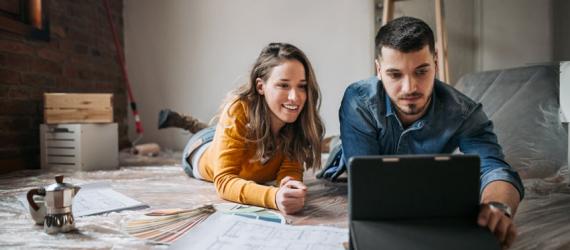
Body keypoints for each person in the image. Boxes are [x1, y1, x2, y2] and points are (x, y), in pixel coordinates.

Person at [320, 16, 524, 248]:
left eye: (421, 71)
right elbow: (370, 187)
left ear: (435, 63)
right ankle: (330, 142)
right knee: (340, 150)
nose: (409, 88)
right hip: (356, 151)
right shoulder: (358, 100)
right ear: (379, 70)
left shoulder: (464, 113)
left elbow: (496, 168)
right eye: (395, 74)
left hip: (423, 162)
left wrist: (498, 207)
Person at [159, 42, 325, 215]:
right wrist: (273, 197)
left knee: (219, 129)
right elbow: (224, 181)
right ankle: (184, 121)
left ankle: (205, 126)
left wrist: (289, 187)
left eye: (302, 86)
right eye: (283, 85)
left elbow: (290, 170)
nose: (295, 97)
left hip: (241, 134)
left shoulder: (299, 122)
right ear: (261, 86)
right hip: (201, 147)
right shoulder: (238, 109)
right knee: (207, 131)